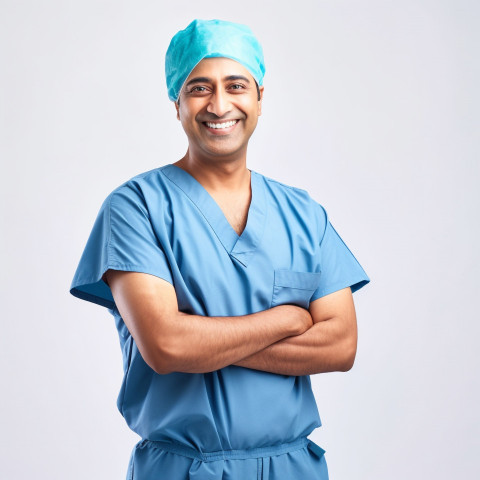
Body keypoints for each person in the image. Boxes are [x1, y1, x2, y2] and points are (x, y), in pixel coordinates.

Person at [69, 18, 370, 480]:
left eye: (236, 85)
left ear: (260, 98)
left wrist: (203, 341)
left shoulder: (303, 214)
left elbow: (341, 345)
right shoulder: (136, 208)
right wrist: (286, 320)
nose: (219, 104)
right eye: (199, 88)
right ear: (177, 102)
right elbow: (166, 345)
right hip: (184, 469)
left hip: (292, 468)